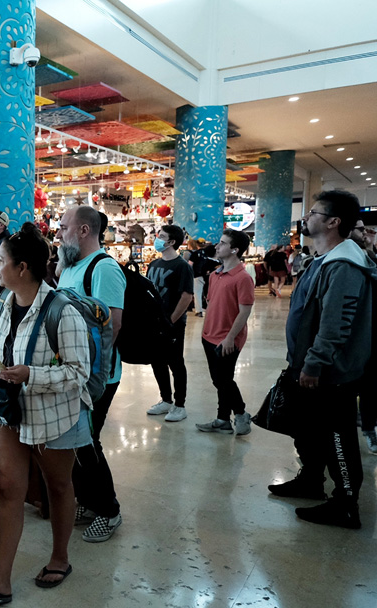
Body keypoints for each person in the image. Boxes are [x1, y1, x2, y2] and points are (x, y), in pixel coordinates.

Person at [0, 222, 91, 608]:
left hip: (54, 416)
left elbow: (78, 373)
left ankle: (60, 558)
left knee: (58, 486)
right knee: (9, 489)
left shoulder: (62, 312)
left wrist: (32, 374)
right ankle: (1, 580)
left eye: (1, 261)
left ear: (23, 267)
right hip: (8, 410)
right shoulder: (3, 302)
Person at [268, 190, 375, 528]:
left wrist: (315, 363)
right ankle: (311, 479)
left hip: (331, 371)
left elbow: (336, 323)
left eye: (313, 212)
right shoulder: (325, 259)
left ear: (333, 221)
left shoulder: (344, 265)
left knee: (337, 435)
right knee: (310, 429)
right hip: (309, 363)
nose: (306, 217)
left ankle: (345, 503)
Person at [55, 205, 125, 543]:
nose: (58, 233)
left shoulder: (104, 268)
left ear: (84, 230)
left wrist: (88, 369)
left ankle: (109, 510)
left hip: (98, 377)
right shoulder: (70, 268)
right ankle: (89, 501)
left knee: (87, 441)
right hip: (73, 373)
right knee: (75, 441)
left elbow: (113, 324)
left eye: (63, 227)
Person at [196, 229, 255, 436]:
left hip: (228, 338)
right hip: (209, 335)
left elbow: (244, 311)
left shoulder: (243, 277)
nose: (217, 246)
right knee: (219, 380)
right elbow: (212, 303)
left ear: (235, 250)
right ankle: (222, 419)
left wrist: (230, 338)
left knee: (223, 380)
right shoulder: (214, 275)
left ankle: (241, 413)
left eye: (222, 243)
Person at [145, 225, 195, 422]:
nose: (157, 239)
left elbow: (186, 296)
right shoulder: (154, 264)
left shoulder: (182, 266)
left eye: (162, 236)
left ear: (171, 242)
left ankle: (180, 405)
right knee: (157, 361)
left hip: (173, 324)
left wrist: (171, 321)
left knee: (175, 363)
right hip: (153, 323)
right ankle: (166, 399)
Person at [349, 214, 377, 455]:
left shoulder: (368, 258)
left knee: (369, 386)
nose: (365, 233)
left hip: (369, 334)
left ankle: (369, 427)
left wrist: (369, 249)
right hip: (349, 336)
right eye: (360, 229)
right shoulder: (342, 259)